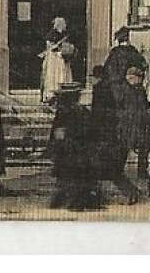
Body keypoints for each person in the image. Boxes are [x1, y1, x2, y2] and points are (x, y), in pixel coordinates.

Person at [88, 64, 141, 204]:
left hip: (104, 135)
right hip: (112, 135)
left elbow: (98, 114)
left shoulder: (101, 90)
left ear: (96, 77)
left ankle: (130, 193)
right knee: (106, 169)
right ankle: (130, 193)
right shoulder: (113, 88)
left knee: (105, 169)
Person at [48, 82, 102, 210]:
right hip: (80, 149)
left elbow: (58, 132)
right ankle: (75, 200)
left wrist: (55, 146)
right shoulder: (82, 110)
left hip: (69, 149)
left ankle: (67, 201)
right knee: (77, 176)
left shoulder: (64, 112)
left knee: (68, 176)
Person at [116, 65, 150, 181]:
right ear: (131, 78)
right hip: (128, 124)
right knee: (124, 148)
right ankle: (117, 171)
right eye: (139, 77)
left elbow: (144, 104)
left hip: (140, 124)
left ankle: (142, 172)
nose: (140, 80)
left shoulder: (140, 90)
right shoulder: (124, 90)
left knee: (144, 147)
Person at [40, 17, 77, 103]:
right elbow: (49, 46)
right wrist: (56, 47)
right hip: (54, 58)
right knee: (53, 76)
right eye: (63, 24)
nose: (64, 25)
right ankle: (51, 95)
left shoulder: (65, 34)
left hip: (62, 58)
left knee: (62, 75)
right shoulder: (51, 34)